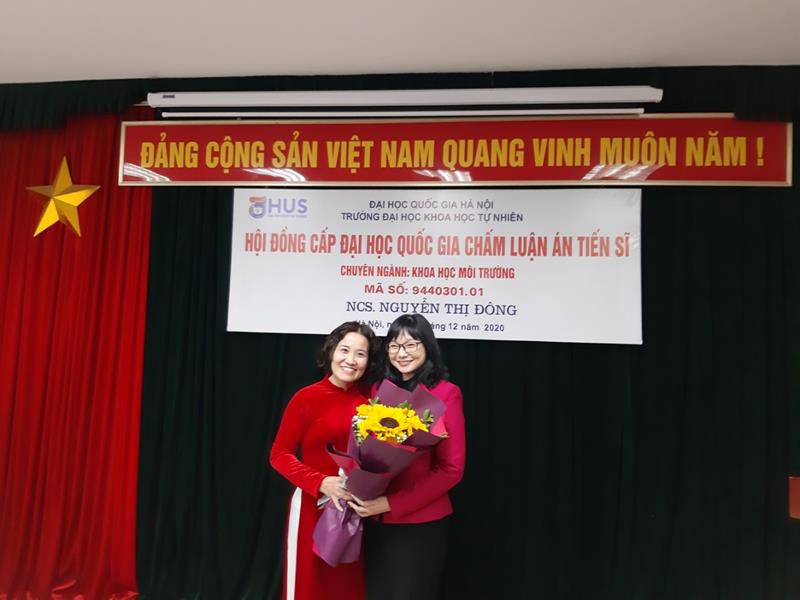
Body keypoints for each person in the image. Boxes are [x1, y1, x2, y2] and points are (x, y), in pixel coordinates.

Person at [348, 313, 466, 600]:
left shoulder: (446, 393)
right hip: (375, 521)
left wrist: (389, 503)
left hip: (419, 525)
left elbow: (451, 469)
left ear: (427, 346)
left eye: (411, 345)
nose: (402, 353)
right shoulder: (378, 390)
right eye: (394, 346)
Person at [270, 321, 379, 600]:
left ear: (368, 362)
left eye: (360, 354)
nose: (350, 360)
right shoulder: (306, 397)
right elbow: (279, 454)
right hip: (311, 508)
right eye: (345, 350)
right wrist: (321, 482)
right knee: (307, 587)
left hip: (351, 512)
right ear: (331, 351)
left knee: (344, 588)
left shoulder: (371, 405)